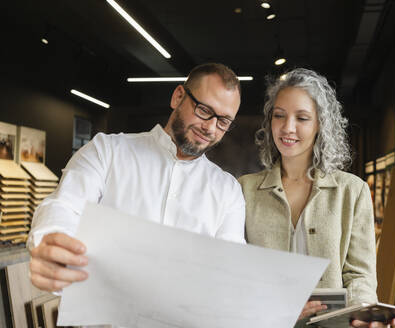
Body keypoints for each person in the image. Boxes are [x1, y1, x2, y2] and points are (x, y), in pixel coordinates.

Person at [28, 63, 246, 292]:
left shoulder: (228, 191)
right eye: (204, 110)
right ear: (178, 97)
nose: (210, 128)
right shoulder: (107, 151)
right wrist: (52, 244)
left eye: (223, 122)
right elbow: (64, 207)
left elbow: (229, 269)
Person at [238, 68, 395, 328]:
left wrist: (363, 313)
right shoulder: (244, 190)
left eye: (302, 118)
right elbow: (236, 274)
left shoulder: (352, 191)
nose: (287, 127)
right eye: (279, 115)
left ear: (320, 125)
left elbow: (359, 275)